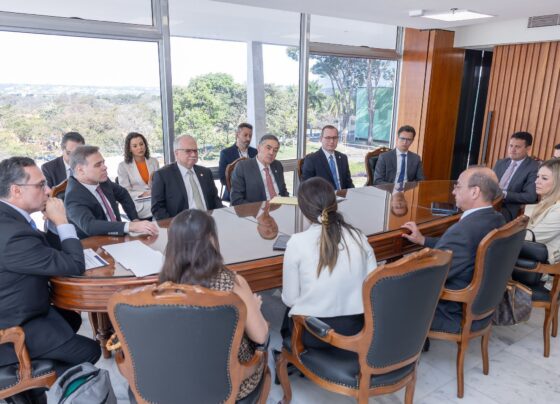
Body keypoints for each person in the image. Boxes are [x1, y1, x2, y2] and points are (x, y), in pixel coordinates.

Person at [0, 157, 101, 386]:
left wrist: (54, 225)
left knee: (71, 318)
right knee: (90, 351)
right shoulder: (13, 235)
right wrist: (62, 221)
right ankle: (36, 390)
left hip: (20, 308)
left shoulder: (9, 219)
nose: (48, 191)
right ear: (16, 190)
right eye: (40, 185)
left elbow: (45, 250)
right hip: (14, 328)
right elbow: (74, 265)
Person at [159, 209, 268, 400]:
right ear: (211, 239)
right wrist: (253, 308)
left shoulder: (163, 287)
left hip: (180, 381)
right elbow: (261, 336)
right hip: (230, 383)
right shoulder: (233, 284)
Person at [401, 167, 505, 334]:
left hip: (451, 311)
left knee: (387, 289)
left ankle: (408, 342)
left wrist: (394, 273)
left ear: (475, 192)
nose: (453, 191)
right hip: (480, 304)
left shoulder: (463, 231)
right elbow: (459, 249)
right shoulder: (496, 218)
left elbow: (431, 275)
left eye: (458, 186)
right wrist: (423, 240)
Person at [281, 177, 377, 348]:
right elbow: (372, 287)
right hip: (356, 331)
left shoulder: (297, 242)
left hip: (316, 333)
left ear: (303, 210)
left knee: (287, 315)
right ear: (335, 203)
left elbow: (290, 299)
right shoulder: (358, 236)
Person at [65, 145, 158, 239]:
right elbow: (90, 226)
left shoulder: (102, 181)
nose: (104, 167)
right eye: (98, 165)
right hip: (96, 242)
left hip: (119, 237)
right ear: (80, 170)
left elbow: (123, 194)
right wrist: (130, 226)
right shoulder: (73, 196)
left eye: (103, 162)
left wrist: (134, 219)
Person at [151, 135, 223, 220]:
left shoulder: (205, 172)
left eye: (195, 151)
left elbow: (215, 200)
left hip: (208, 220)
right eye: (188, 151)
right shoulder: (163, 175)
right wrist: (174, 225)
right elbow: (157, 208)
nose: (193, 154)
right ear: (176, 153)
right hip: (181, 224)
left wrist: (220, 217)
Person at [230, 134, 289, 206]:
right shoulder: (243, 167)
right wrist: (260, 209)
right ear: (258, 148)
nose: (271, 153)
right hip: (257, 210)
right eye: (268, 148)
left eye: (275, 150)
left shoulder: (277, 165)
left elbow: (283, 191)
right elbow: (236, 200)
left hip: (280, 208)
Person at [493, 131, 539, 221]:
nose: (512, 150)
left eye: (517, 147)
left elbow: (530, 196)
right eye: (511, 146)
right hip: (489, 202)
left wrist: (504, 194)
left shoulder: (534, 167)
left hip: (507, 208)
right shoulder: (500, 163)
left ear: (528, 148)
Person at [522, 159, 560, 264]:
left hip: (544, 266)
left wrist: (501, 236)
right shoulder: (545, 202)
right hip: (531, 254)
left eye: (544, 178)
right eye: (538, 176)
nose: (536, 181)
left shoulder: (558, 210)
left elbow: (531, 238)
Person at [117, 132, 160, 219]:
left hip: (156, 199)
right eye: (135, 146)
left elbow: (159, 182)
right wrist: (143, 193)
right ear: (129, 149)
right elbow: (125, 191)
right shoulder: (123, 166)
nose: (140, 148)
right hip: (139, 204)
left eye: (141, 144)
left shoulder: (154, 161)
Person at [301, 125, 354, 190]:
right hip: (323, 196)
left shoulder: (343, 158)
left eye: (334, 138)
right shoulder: (311, 160)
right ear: (321, 139)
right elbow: (306, 188)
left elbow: (349, 183)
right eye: (328, 138)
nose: (332, 141)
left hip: (344, 195)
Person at [219, 123, 258, 201]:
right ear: (237, 135)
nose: (248, 139)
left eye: (250, 136)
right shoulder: (226, 153)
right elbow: (223, 178)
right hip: (234, 194)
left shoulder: (255, 152)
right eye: (245, 135)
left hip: (255, 193)